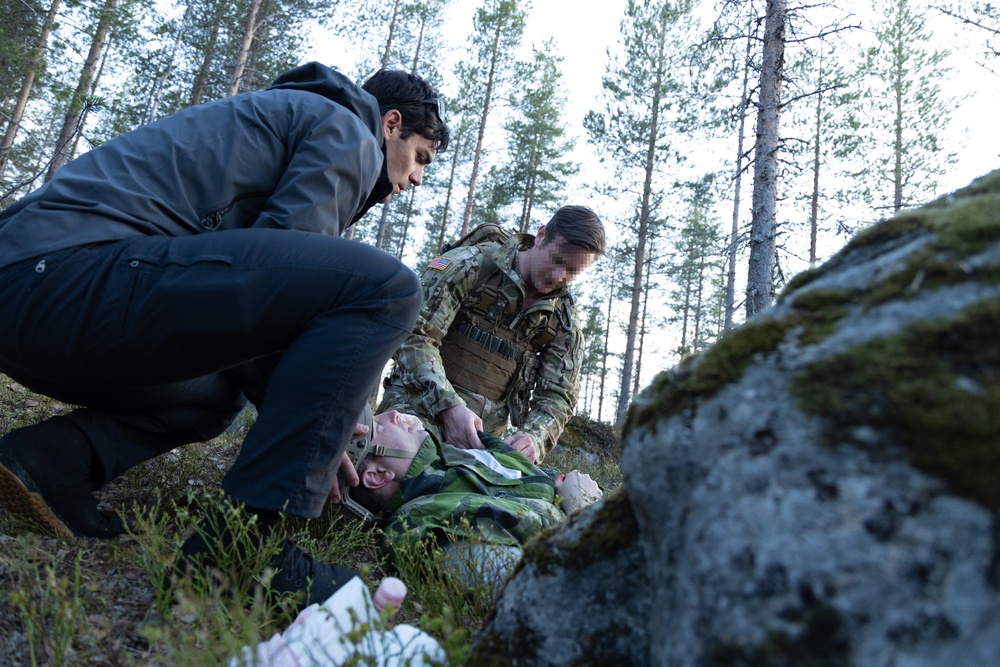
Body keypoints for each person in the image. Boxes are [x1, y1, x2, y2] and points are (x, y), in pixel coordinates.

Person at [0, 62, 449, 607]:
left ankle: (49, 462)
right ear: (390, 123)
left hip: (37, 299)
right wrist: (326, 438)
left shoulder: (292, 120)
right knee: (391, 288)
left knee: (215, 392)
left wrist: (328, 423)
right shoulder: (345, 129)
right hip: (66, 276)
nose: (417, 179)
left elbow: (254, 314)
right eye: (421, 157)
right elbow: (287, 297)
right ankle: (246, 552)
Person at [378, 205, 605, 464]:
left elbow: (558, 396)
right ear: (541, 235)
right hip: (412, 413)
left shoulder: (563, 323)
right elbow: (415, 335)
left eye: (572, 272)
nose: (558, 276)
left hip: (482, 442)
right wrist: (448, 406)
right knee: (394, 471)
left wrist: (534, 439)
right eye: (557, 260)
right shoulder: (469, 266)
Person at [335, 407, 603, 585]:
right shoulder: (427, 526)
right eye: (378, 428)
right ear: (377, 475)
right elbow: (550, 589)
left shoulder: (452, 458)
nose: (393, 413)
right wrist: (583, 511)